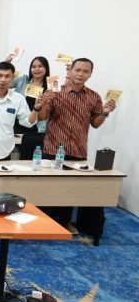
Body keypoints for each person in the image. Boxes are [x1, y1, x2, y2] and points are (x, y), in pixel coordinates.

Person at [34, 58, 118, 244]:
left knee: (69, 190)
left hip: (78, 150)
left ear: (90, 74)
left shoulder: (94, 97)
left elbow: (95, 124)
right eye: (78, 70)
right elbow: (42, 117)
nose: (81, 74)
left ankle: (64, 222)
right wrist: (43, 103)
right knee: (47, 189)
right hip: (53, 148)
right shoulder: (55, 92)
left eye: (85, 71)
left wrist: (105, 112)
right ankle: (43, 223)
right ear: (70, 71)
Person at [8, 55, 50, 159]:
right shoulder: (23, 80)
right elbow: (6, 82)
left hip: (36, 128)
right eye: (33, 66)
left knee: (29, 157)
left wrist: (42, 104)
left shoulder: (49, 88)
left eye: (40, 66)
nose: (36, 69)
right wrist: (8, 62)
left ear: (46, 68)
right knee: (13, 155)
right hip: (17, 124)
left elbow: (42, 117)